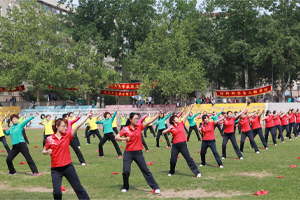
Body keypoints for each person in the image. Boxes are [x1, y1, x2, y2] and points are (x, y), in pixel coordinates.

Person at [43, 112, 91, 200]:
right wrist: (47, 152)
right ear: (57, 126)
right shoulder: (49, 139)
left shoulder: (67, 136)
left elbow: (77, 126)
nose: (66, 128)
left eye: (66, 126)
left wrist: (87, 116)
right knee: (57, 192)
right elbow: (43, 150)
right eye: (63, 126)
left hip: (68, 167)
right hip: (56, 169)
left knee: (78, 188)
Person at [115, 111, 161, 194]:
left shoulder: (139, 127)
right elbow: (116, 137)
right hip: (128, 153)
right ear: (130, 119)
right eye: (136, 118)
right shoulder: (125, 129)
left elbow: (149, 121)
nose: (137, 120)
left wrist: (158, 115)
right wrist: (124, 139)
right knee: (126, 171)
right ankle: (125, 187)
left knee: (145, 170)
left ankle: (155, 187)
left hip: (138, 153)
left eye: (138, 118)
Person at [163, 104, 202, 177]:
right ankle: (171, 172)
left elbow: (186, 115)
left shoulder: (181, 123)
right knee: (173, 160)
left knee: (189, 159)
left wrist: (190, 108)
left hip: (183, 145)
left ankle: (197, 172)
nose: (178, 118)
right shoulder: (172, 127)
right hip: (175, 146)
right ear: (173, 120)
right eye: (176, 118)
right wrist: (169, 129)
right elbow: (163, 132)